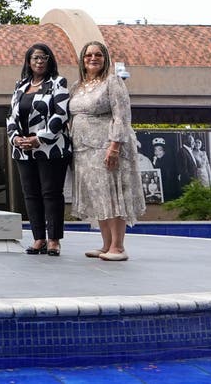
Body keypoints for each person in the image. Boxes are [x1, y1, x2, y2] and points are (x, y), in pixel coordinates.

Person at [69, 41, 145, 262]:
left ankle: (118, 247)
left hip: (106, 146)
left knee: (112, 196)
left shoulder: (113, 82)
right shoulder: (78, 86)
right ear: (82, 60)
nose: (93, 58)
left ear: (105, 59)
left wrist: (115, 146)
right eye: (88, 55)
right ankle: (105, 244)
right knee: (98, 196)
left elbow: (122, 115)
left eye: (98, 55)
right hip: (83, 150)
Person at [6, 42, 70, 256]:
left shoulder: (57, 83)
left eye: (44, 57)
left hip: (50, 149)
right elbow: (11, 116)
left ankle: (53, 240)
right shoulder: (20, 85)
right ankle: (38, 239)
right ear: (28, 62)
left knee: (51, 193)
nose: (39, 61)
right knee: (31, 195)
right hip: (22, 150)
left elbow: (61, 114)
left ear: (50, 60)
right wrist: (16, 139)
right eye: (35, 58)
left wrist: (38, 138)